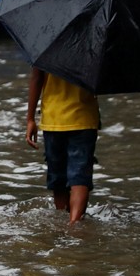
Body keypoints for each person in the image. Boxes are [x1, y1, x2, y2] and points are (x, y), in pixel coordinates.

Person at [25, 67, 100, 225]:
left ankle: (63, 221)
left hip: (54, 119)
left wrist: (30, 118)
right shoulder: (93, 46)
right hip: (84, 118)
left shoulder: (46, 45)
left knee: (58, 178)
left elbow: (37, 79)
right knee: (80, 176)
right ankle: (74, 224)